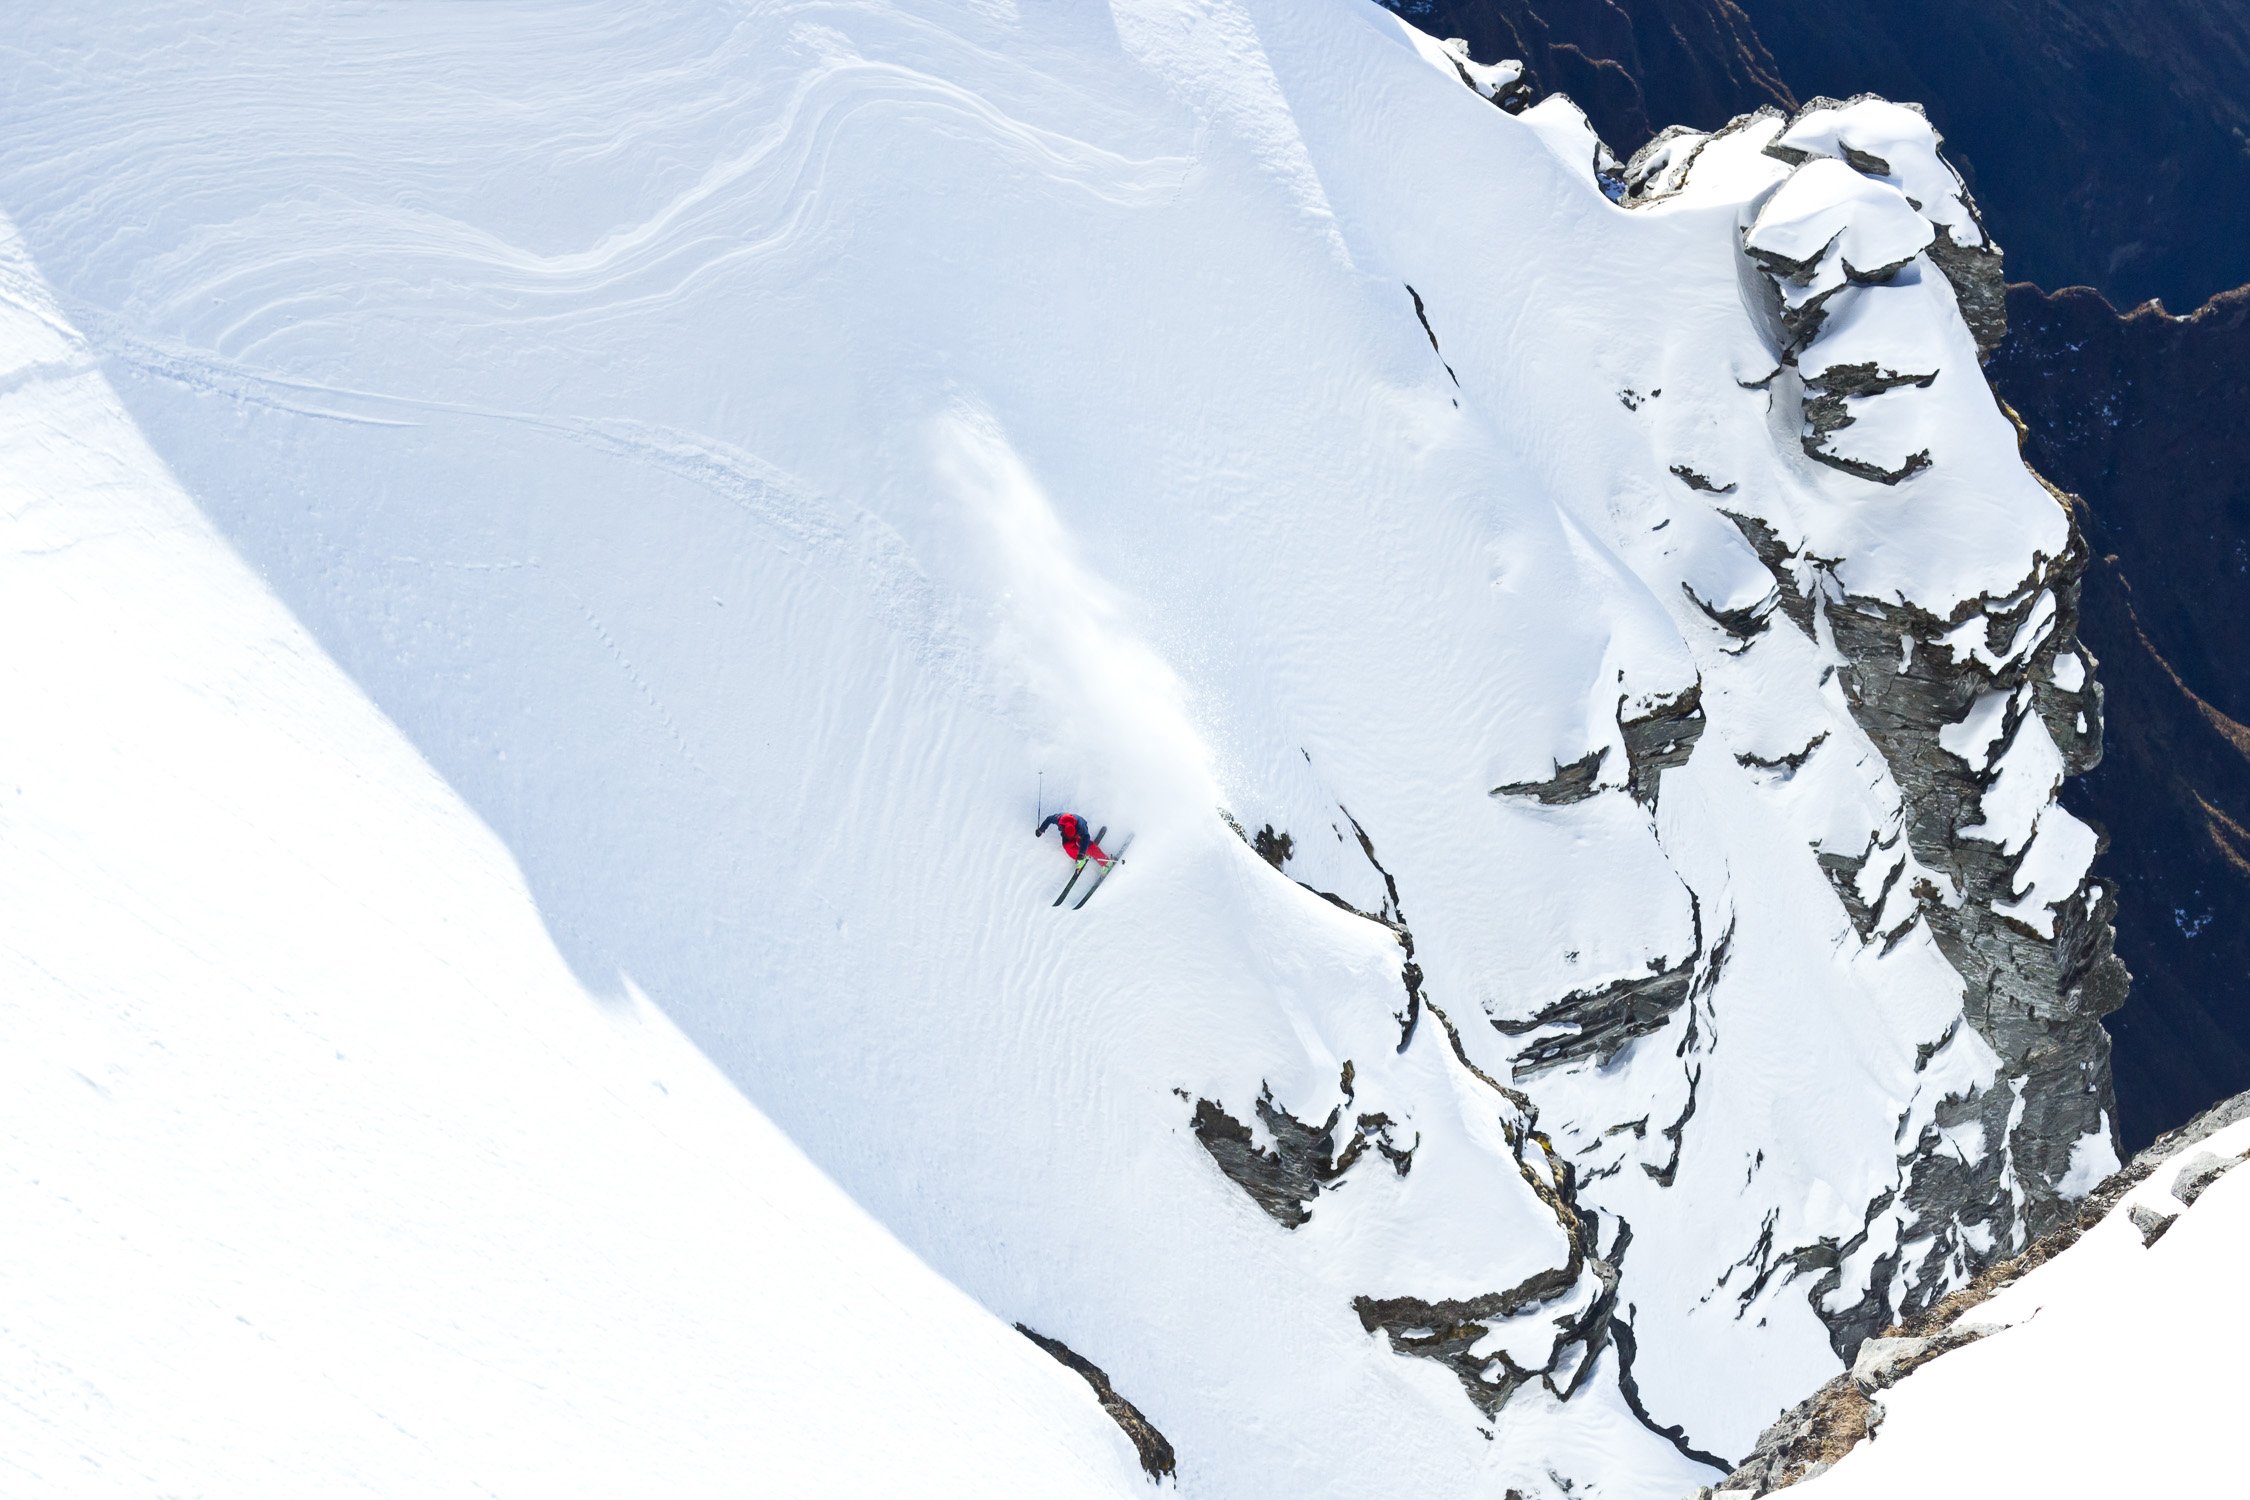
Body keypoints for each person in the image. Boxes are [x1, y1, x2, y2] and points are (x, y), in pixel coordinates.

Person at [1036, 812, 1110, 867]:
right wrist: (1041, 830)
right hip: (1068, 831)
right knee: (1067, 845)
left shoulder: (1081, 826)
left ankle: (1106, 863)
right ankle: (1080, 859)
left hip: (1078, 832)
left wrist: (1082, 852)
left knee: (1085, 844)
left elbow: (1086, 837)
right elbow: (1049, 819)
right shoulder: (1059, 819)